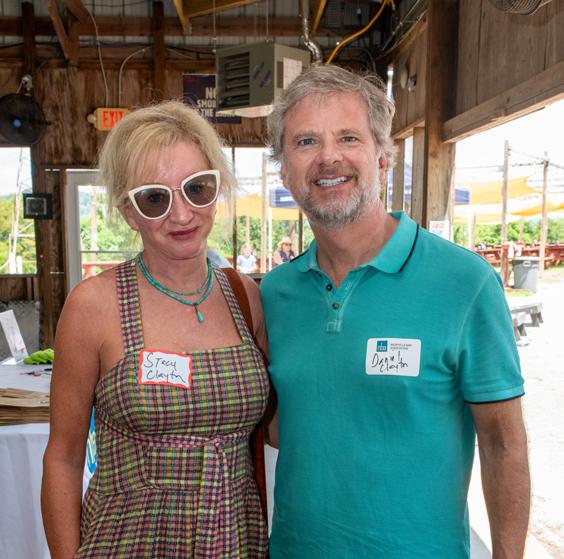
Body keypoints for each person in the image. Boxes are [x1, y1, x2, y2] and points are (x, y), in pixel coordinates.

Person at [260, 65, 530, 558]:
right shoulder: (276, 293)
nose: (328, 157)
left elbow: (502, 442)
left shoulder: (464, 282)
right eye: (305, 142)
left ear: (383, 159)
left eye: (348, 137)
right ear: (284, 171)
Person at [41, 101, 269, 559]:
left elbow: (280, 427)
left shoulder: (243, 296)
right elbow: (63, 458)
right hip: (127, 543)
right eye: (154, 198)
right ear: (128, 211)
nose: (181, 214)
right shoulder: (94, 306)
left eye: (197, 188)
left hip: (236, 543)